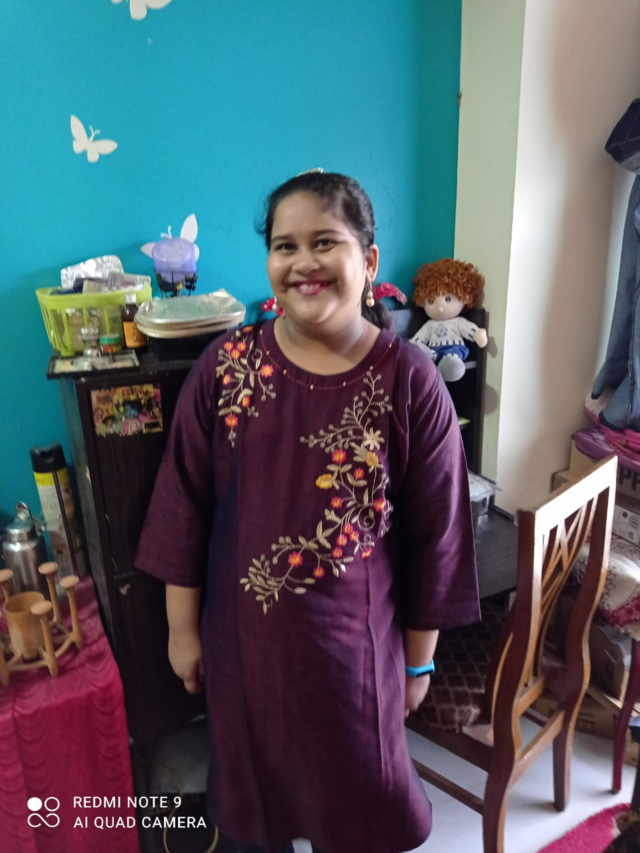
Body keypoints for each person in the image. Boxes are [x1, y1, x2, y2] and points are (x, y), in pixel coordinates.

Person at [136, 171, 480, 853]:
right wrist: (181, 632)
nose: (303, 263)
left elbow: (437, 537)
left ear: (369, 261)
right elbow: (183, 506)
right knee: (255, 818)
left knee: (356, 821)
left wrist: (419, 663)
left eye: (325, 242)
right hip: (245, 658)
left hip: (358, 665)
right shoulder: (225, 368)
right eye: (284, 246)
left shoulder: (411, 382)